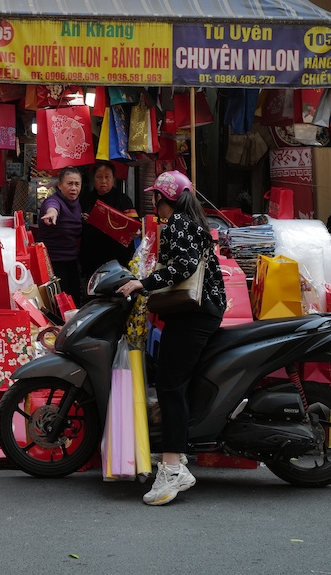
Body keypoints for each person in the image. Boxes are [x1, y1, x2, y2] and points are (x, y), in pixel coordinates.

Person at [118, 170, 226, 506]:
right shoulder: (191, 221)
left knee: (170, 384)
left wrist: (144, 283)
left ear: (166, 198)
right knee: (173, 381)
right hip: (201, 311)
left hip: (196, 313)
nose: (155, 205)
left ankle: (172, 466)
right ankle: (175, 459)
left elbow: (184, 266)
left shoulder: (178, 223)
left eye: (156, 198)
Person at [79, 161, 138, 279]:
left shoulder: (124, 200)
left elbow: (134, 225)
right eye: (99, 177)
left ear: (114, 179)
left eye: (107, 177)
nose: (104, 181)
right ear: (93, 179)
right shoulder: (85, 200)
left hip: (118, 256)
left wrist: (135, 232)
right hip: (92, 255)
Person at [39, 167, 85, 303]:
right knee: (61, 304)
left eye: (77, 184)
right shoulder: (53, 201)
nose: (74, 188)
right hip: (53, 263)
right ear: (59, 185)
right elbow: (52, 207)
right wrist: (52, 213)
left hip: (71, 261)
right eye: (69, 184)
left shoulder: (76, 204)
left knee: (75, 300)